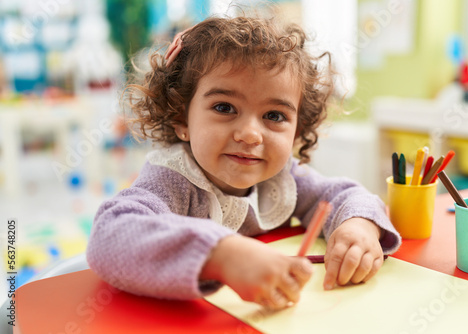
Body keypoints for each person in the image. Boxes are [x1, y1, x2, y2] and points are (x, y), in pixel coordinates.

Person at [86, 14, 401, 311]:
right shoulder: (173, 180)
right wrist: (221, 255)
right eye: (224, 107)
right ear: (180, 117)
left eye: (274, 116)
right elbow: (109, 235)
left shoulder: (283, 177)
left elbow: (343, 195)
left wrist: (358, 227)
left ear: (296, 132)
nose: (251, 135)